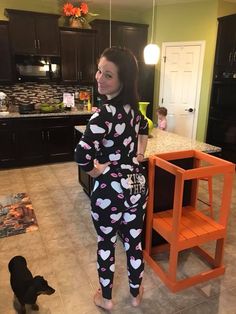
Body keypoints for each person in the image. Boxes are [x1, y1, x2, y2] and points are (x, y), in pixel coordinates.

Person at [75, 47, 149, 310]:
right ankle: (135, 294)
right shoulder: (133, 110)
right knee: (133, 241)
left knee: (106, 242)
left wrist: (98, 171)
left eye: (108, 75)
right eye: (99, 70)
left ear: (122, 81)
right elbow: (144, 128)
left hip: (109, 190)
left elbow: (81, 155)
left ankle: (106, 299)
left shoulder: (103, 114)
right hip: (137, 185)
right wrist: (138, 155)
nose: (99, 78)